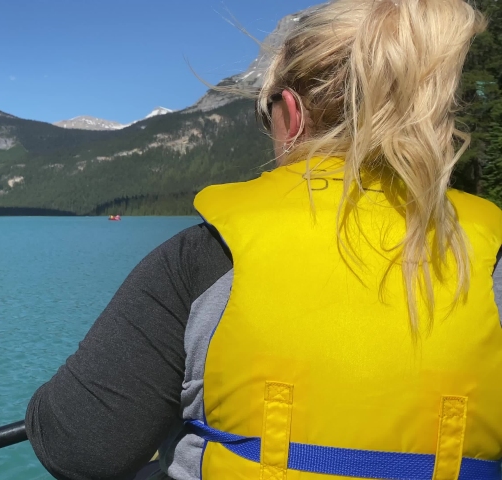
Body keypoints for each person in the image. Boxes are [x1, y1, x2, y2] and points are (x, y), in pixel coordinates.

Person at [25, 1, 502, 479]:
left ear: (291, 115)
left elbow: (78, 447)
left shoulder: (207, 256)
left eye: (265, 113)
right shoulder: (492, 258)